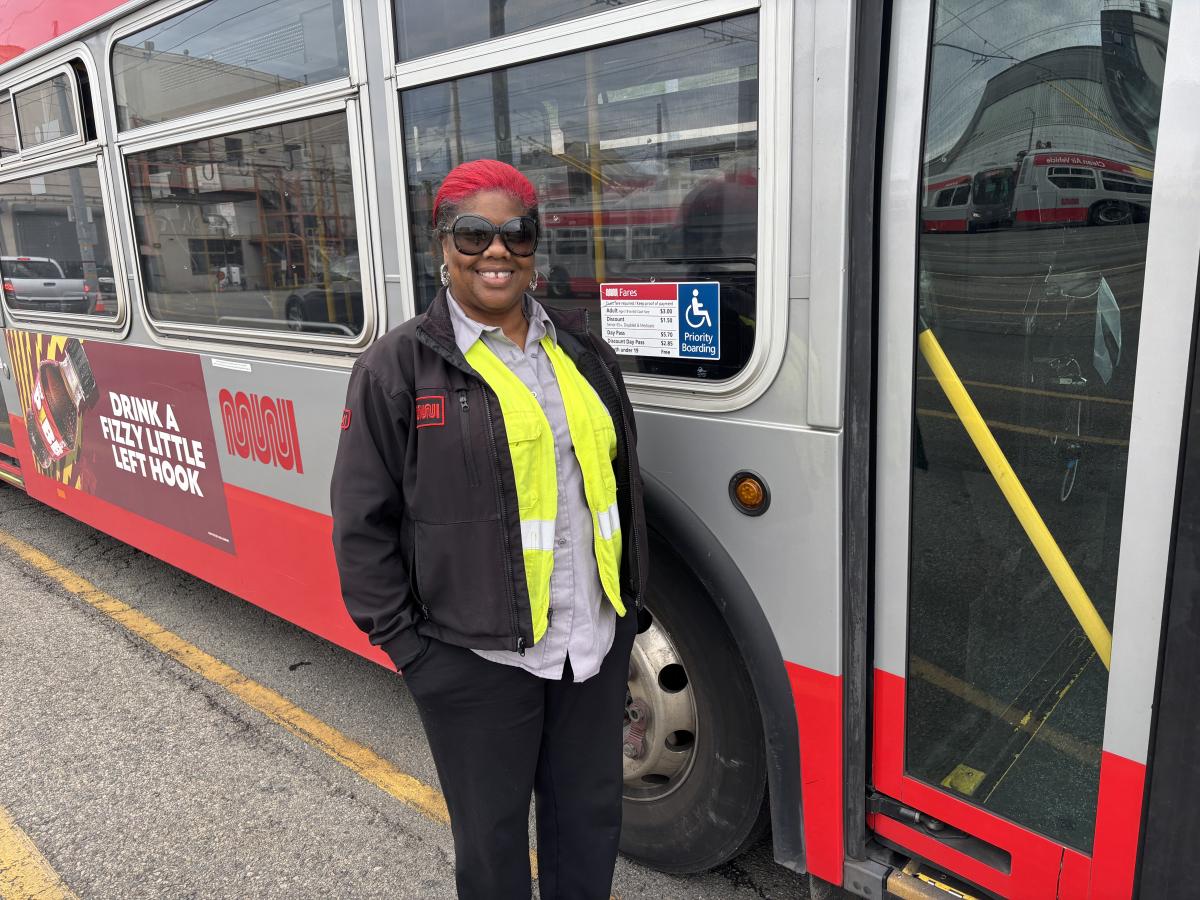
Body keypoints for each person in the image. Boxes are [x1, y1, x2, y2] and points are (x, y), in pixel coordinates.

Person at [330, 158, 648, 900]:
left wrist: (627, 610)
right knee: (494, 844)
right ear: (442, 244)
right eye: (474, 234)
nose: (496, 251)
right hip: (476, 660)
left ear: (536, 246)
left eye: (517, 233)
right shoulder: (396, 368)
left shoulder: (583, 352)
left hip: (590, 647)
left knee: (589, 824)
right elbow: (360, 521)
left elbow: (614, 489)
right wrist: (413, 651)